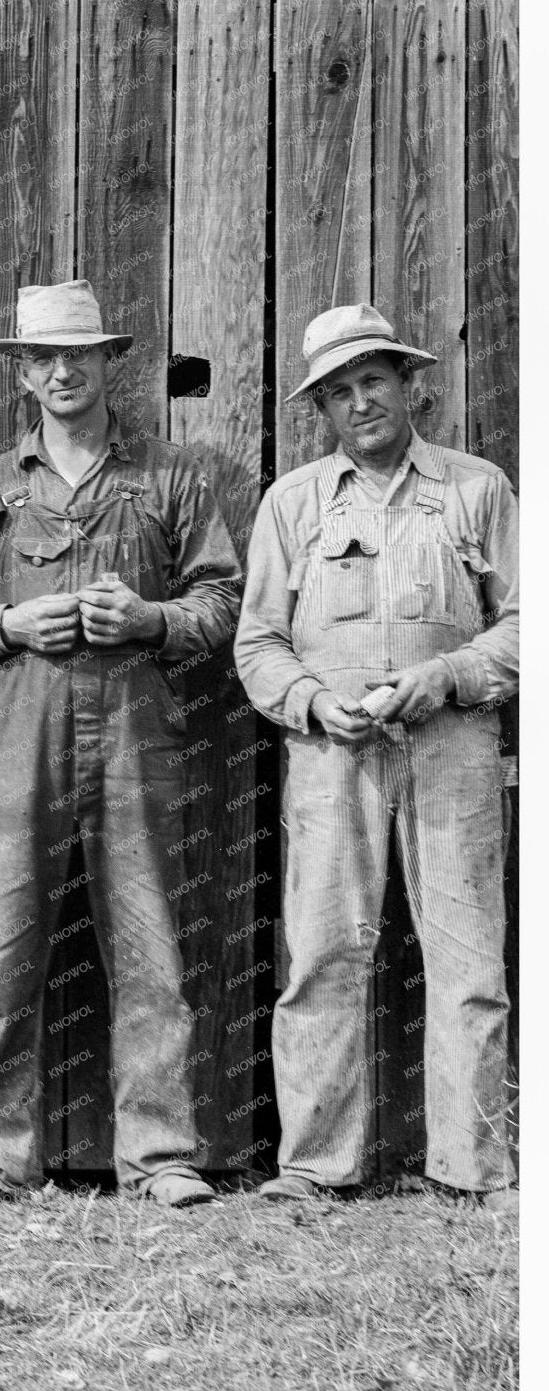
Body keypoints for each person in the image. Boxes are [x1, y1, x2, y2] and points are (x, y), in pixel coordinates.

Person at [0, 280, 242, 1210]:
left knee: (150, 945)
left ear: (110, 364)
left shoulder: (174, 477)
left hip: (138, 736)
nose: (64, 372)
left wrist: (148, 617)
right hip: (20, 736)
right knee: (2, 946)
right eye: (44, 358)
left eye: (81, 355)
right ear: (23, 372)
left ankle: (161, 1154)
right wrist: (13, 625)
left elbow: (221, 601)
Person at [233, 304, 518, 1211]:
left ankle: (475, 1168)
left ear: (410, 385)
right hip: (331, 755)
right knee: (319, 953)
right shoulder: (295, 502)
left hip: (453, 745)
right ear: (322, 408)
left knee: (469, 957)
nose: (361, 402)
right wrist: (314, 701)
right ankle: (316, 1166)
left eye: (374, 381)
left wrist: (448, 674)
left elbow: (527, 626)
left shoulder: (478, 489)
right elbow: (258, 643)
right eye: (340, 391)